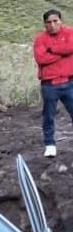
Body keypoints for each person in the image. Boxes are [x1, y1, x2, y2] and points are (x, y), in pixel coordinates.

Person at [33, 9, 73, 158]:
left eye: (55, 21)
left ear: (60, 21)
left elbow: (71, 48)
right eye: (49, 22)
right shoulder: (40, 39)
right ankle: (50, 144)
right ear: (44, 24)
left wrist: (52, 50)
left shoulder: (70, 33)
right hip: (49, 84)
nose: (52, 24)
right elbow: (41, 59)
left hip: (69, 82)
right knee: (48, 115)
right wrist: (63, 55)